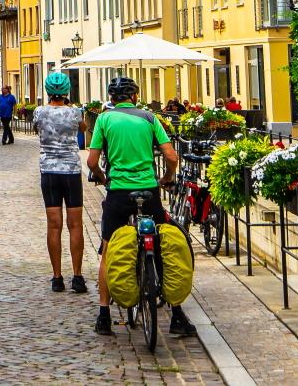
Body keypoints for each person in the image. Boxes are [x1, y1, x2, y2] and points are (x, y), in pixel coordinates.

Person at [87, 76, 193, 338]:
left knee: (108, 249)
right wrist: (167, 177)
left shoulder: (104, 119)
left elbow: (91, 161)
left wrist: (102, 177)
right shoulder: (149, 118)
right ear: (134, 96)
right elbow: (171, 156)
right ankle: (177, 313)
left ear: (112, 99)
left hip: (119, 192)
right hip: (149, 189)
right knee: (165, 242)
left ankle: (103, 316)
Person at [33, 72, 88, 294]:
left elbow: (38, 128)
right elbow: (83, 129)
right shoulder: (75, 112)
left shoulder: (40, 112)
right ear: (66, 91)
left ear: (47, 91)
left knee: (53, 225)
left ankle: (57, 277)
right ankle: (77, 275)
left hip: (49, 172)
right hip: (71, 172)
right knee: (75, 225)